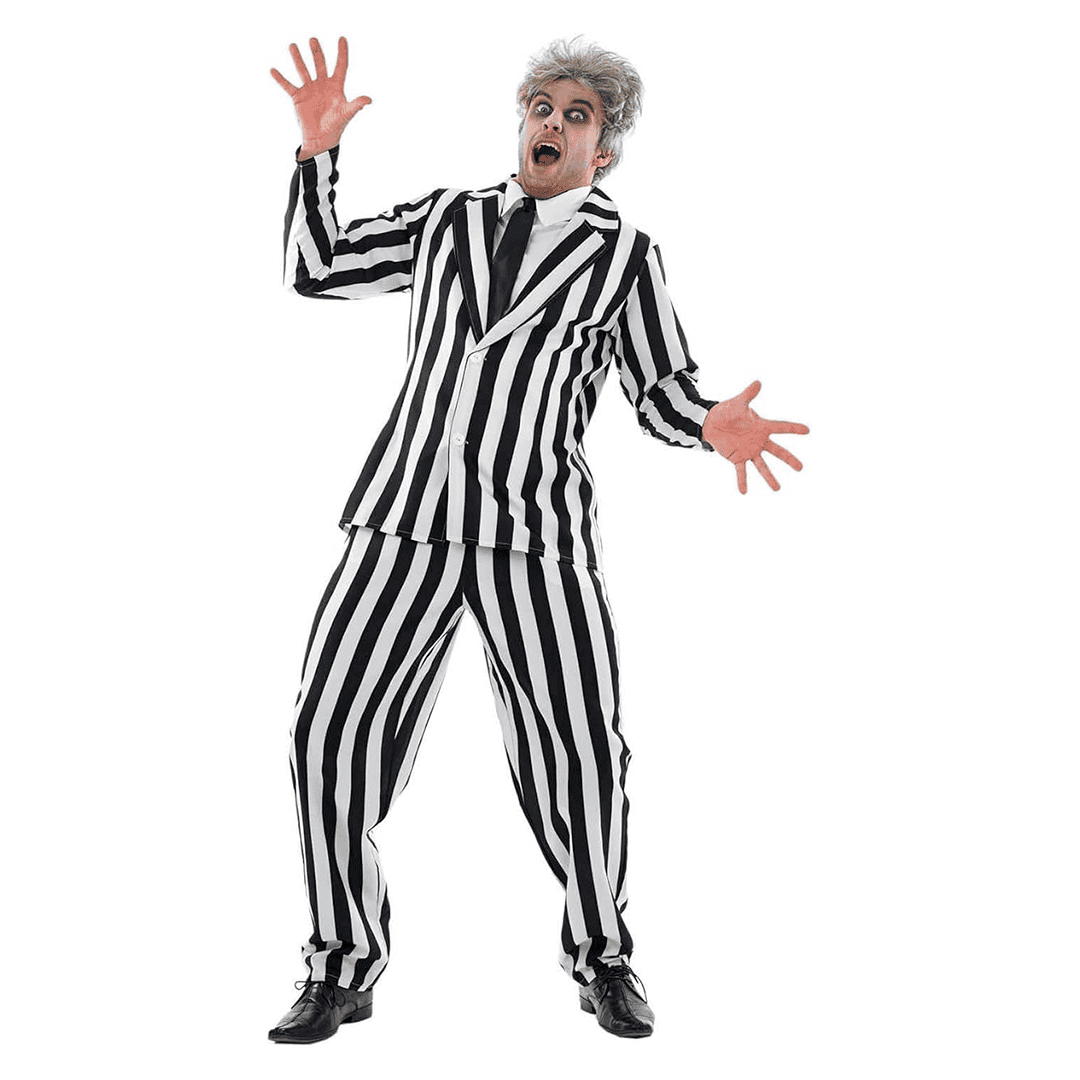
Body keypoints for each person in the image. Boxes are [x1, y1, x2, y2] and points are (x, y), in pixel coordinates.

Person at [266, 34, 809, 1044]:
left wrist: (708, 424)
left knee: (584, 751)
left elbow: (660, 389)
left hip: (536, 533)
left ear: (605, 148)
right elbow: (318, 268)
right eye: (541, 108)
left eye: (576, 115)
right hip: (403, 520)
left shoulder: (626, 257)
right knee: (326, 733)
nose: (551, 124)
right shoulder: (448, 219)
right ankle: (340, 964)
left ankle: (603, 958)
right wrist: (317, 153)